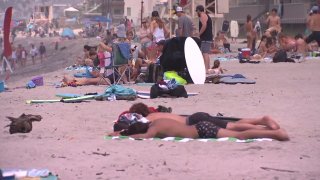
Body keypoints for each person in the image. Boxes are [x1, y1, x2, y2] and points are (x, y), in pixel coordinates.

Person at [110, 103, 289, 141]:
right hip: (195, 120)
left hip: (197, 125)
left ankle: (268, 129)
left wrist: (120, 133)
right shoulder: (157, 116)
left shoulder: (151, 122)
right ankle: (261, 121)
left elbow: (142, 134)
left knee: (235, 130)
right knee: (232, 125)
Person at [196, 5, 213, 72]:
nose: (197, 13)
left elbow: (204, 25)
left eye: (197, 11)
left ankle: (206, 69)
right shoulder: (206, 15)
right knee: (206, 53)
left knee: (205, 53)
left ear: (199, 10)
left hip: (205, 37)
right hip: (208, 37)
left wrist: (199, 34)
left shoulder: (202, 16)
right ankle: (208, 68)